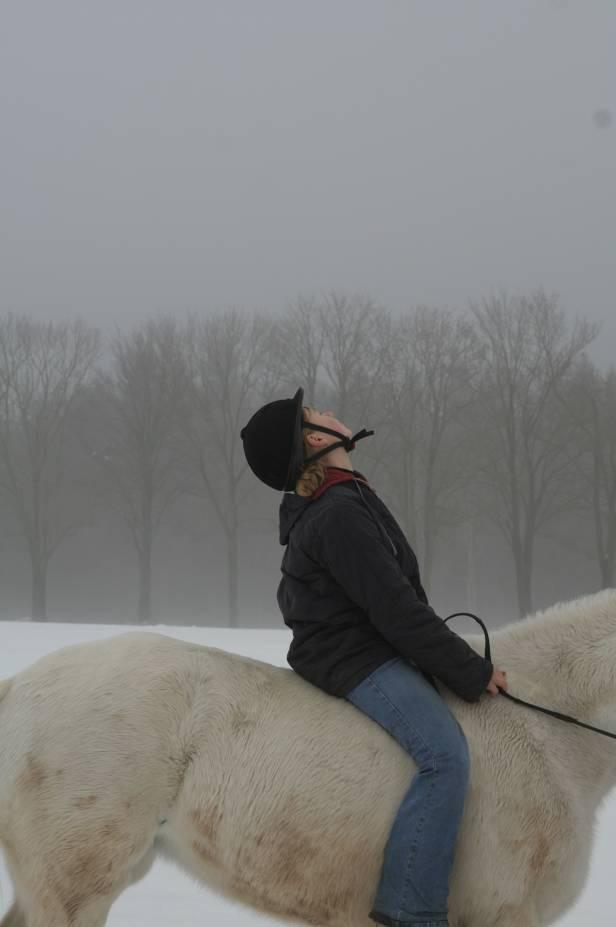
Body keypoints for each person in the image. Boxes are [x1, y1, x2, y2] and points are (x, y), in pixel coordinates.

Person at [240, 388, 508, 927]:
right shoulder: (337, 512)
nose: (331, 413)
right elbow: (397, 611)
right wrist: (470, 672)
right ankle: (412, 910)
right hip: (355, 658)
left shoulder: (347, 496)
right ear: (316, 440)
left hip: (364, 645)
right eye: (318, 414)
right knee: (445, 758)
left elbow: (396, 601)